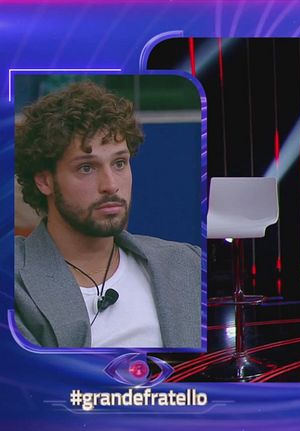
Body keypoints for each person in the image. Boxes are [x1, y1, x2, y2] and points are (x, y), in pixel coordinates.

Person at [14, 81, 201, 348]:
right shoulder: (14, 282)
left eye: (119, 163)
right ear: (45, 181)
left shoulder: (187, 264)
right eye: (86, 168)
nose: (111, 185)